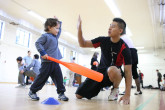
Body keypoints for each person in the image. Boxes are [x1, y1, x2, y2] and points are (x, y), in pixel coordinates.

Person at [76, 16, 132, 105]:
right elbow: (83, 44)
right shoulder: (103, 40)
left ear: (120, 31)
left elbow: (128, 72)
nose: (110, 28)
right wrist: (79, 29)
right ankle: (95, 89)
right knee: (78, 95)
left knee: (112, 69)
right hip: (99, 73)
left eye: (113, 26)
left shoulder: (125, 48)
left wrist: (127, 94)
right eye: (110, 25)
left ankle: (115, 89)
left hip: (113, 74)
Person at [28, 17, 69, 101]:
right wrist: (43, 53)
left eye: (58, 28)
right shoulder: (45, 36)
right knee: (42, 78)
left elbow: (59, 30)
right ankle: (32, 91)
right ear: (50, 27)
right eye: (56, 28)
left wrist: (59, 22)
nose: (58, 30)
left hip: (55, 62)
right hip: (47, 62)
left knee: (59, 78)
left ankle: (61, 93)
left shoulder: (55, 37)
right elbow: (38, 43)